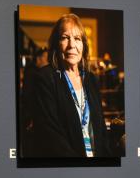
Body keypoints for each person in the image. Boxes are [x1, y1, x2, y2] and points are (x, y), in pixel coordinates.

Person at [20, 13, 113, 158]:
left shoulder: (91, 79)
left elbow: (101, 129)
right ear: (56, 43)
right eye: (65, 38)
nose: (72, 45)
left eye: (77, 39)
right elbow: (51, 135)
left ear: (83, 45)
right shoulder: (45, 78)